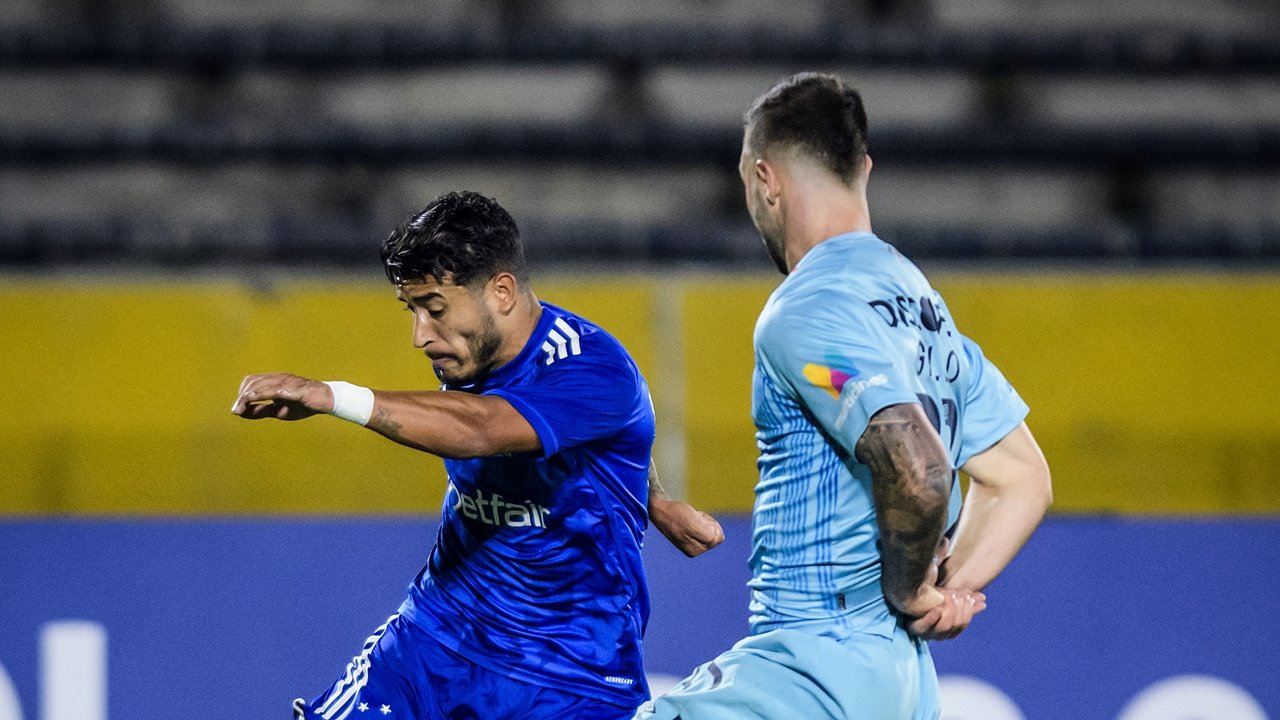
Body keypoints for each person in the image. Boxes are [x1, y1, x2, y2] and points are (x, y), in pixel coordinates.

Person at [636, 73, 1053, 720]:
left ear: (765, 179)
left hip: (814, 668)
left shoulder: (808, 308)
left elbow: (920, 470)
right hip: (904, 683)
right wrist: (939, 594)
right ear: (864, 169)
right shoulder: (925, 312)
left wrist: (911, 590)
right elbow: (1022, 478)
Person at [230, 191, 723, 720]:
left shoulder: (591, 366)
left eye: (435, 309)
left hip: (569, 674)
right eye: (413, 310)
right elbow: (592, 434)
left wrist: (335, 397)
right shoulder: (468, 354)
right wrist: (653, 499)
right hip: (436, 634)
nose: (421, 336)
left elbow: (483, 428)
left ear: (501, 292)